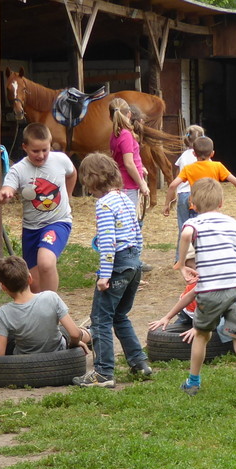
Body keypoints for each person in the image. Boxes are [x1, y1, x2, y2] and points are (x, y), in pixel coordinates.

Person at [172, 179, 236, 408]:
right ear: (221, 202)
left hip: (209, 291)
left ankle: (193, 382)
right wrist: (234, 273)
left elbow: (186, 234)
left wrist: (181, 264)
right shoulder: (234, 223)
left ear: (192, 203)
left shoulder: (193, 223)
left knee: (202, 336)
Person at [72, 152, 151, 388]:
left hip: (117, 266)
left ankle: (103, 372)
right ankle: (140, 363)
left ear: (91, 179)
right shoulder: (125, 199)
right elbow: (137, 234)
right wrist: (136, 263)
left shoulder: (104, 204)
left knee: (100, 319)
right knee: (120, 316)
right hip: (133, 263)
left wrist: (105, 275)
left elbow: (108, 241)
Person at [0, 256, 90, 359]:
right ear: (30, 278)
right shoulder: (51, 297)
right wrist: (73, 346)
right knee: (66, 329)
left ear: (3, 287)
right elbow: (74, 334)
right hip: (57, 348)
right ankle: (93, 333)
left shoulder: (5, 312)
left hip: (23, 356)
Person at [149, 253, 236, 361]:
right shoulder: (218, 269)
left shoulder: (220, 274)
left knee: (224, 327)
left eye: (194, 267)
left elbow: (216, 306)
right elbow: (190, 296)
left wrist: (199, 327)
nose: (193, 272)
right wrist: (167, 317)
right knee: (228, 320)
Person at [0, 123, 76, 293]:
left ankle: (52, 304)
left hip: (57, 222)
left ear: (50, 144)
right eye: (35, 151)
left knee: (46, 263)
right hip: (31, 229)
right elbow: (9, 187)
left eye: (45, 150)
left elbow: (71, 173)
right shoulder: (18, 170)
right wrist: (5, 193)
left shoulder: (61, 160)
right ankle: (40, 306)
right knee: (33, 284)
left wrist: (68, 196)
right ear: (25, 147)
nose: (41, 155)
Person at [162, 136, 236, 218]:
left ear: (194, 153)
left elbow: (172, 186)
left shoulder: (188, 169)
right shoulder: (218, 166)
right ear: (212, 153)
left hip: (196, 206)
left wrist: (166, 204)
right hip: (213, 206)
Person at [108, 98, 149, 211]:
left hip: (122, 182)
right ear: (129, 114)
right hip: (128, 186)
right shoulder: (125, 135)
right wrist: (141, 184)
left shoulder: (115, 134)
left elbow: (122, 159)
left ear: (110, 117)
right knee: (129, 219)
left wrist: (140, 169)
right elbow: (129, 163)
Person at [173, 125, 206, 252]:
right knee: (199, 227)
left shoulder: (183, 156)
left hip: (182, 195)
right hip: (197, 194)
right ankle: (199, 254)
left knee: (183, 227)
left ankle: (180, 257)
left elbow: (177, 175)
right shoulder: (203, 158)